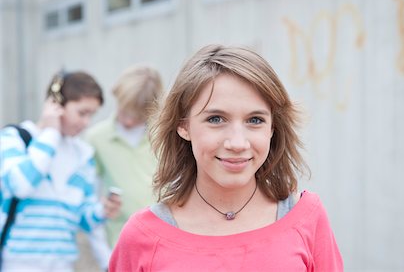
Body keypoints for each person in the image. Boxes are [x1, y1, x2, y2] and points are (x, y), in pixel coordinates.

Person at [109, 44, 343, 271]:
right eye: (216, 119)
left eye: (255, 120)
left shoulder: (307, 218)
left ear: (272, 128)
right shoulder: (141, 236)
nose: (238, 143)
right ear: (183, 126)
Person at [0, 71, 121, 272]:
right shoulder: (14, 138)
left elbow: (82, 219)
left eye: (91, 115)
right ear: (55, 105)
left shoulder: (83, 155)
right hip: (18, 264)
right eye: (82, 113)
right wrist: (51, 133)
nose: (86, 123)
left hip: (63, 265)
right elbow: (21, 185)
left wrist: (102, 211)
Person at [85, 64, 163, 247]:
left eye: (136, 115)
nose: (128, 120)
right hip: (121, 242)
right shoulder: (96, 138)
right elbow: (90, 194)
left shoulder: (164, 135)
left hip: (163, 239)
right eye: (124, 111)